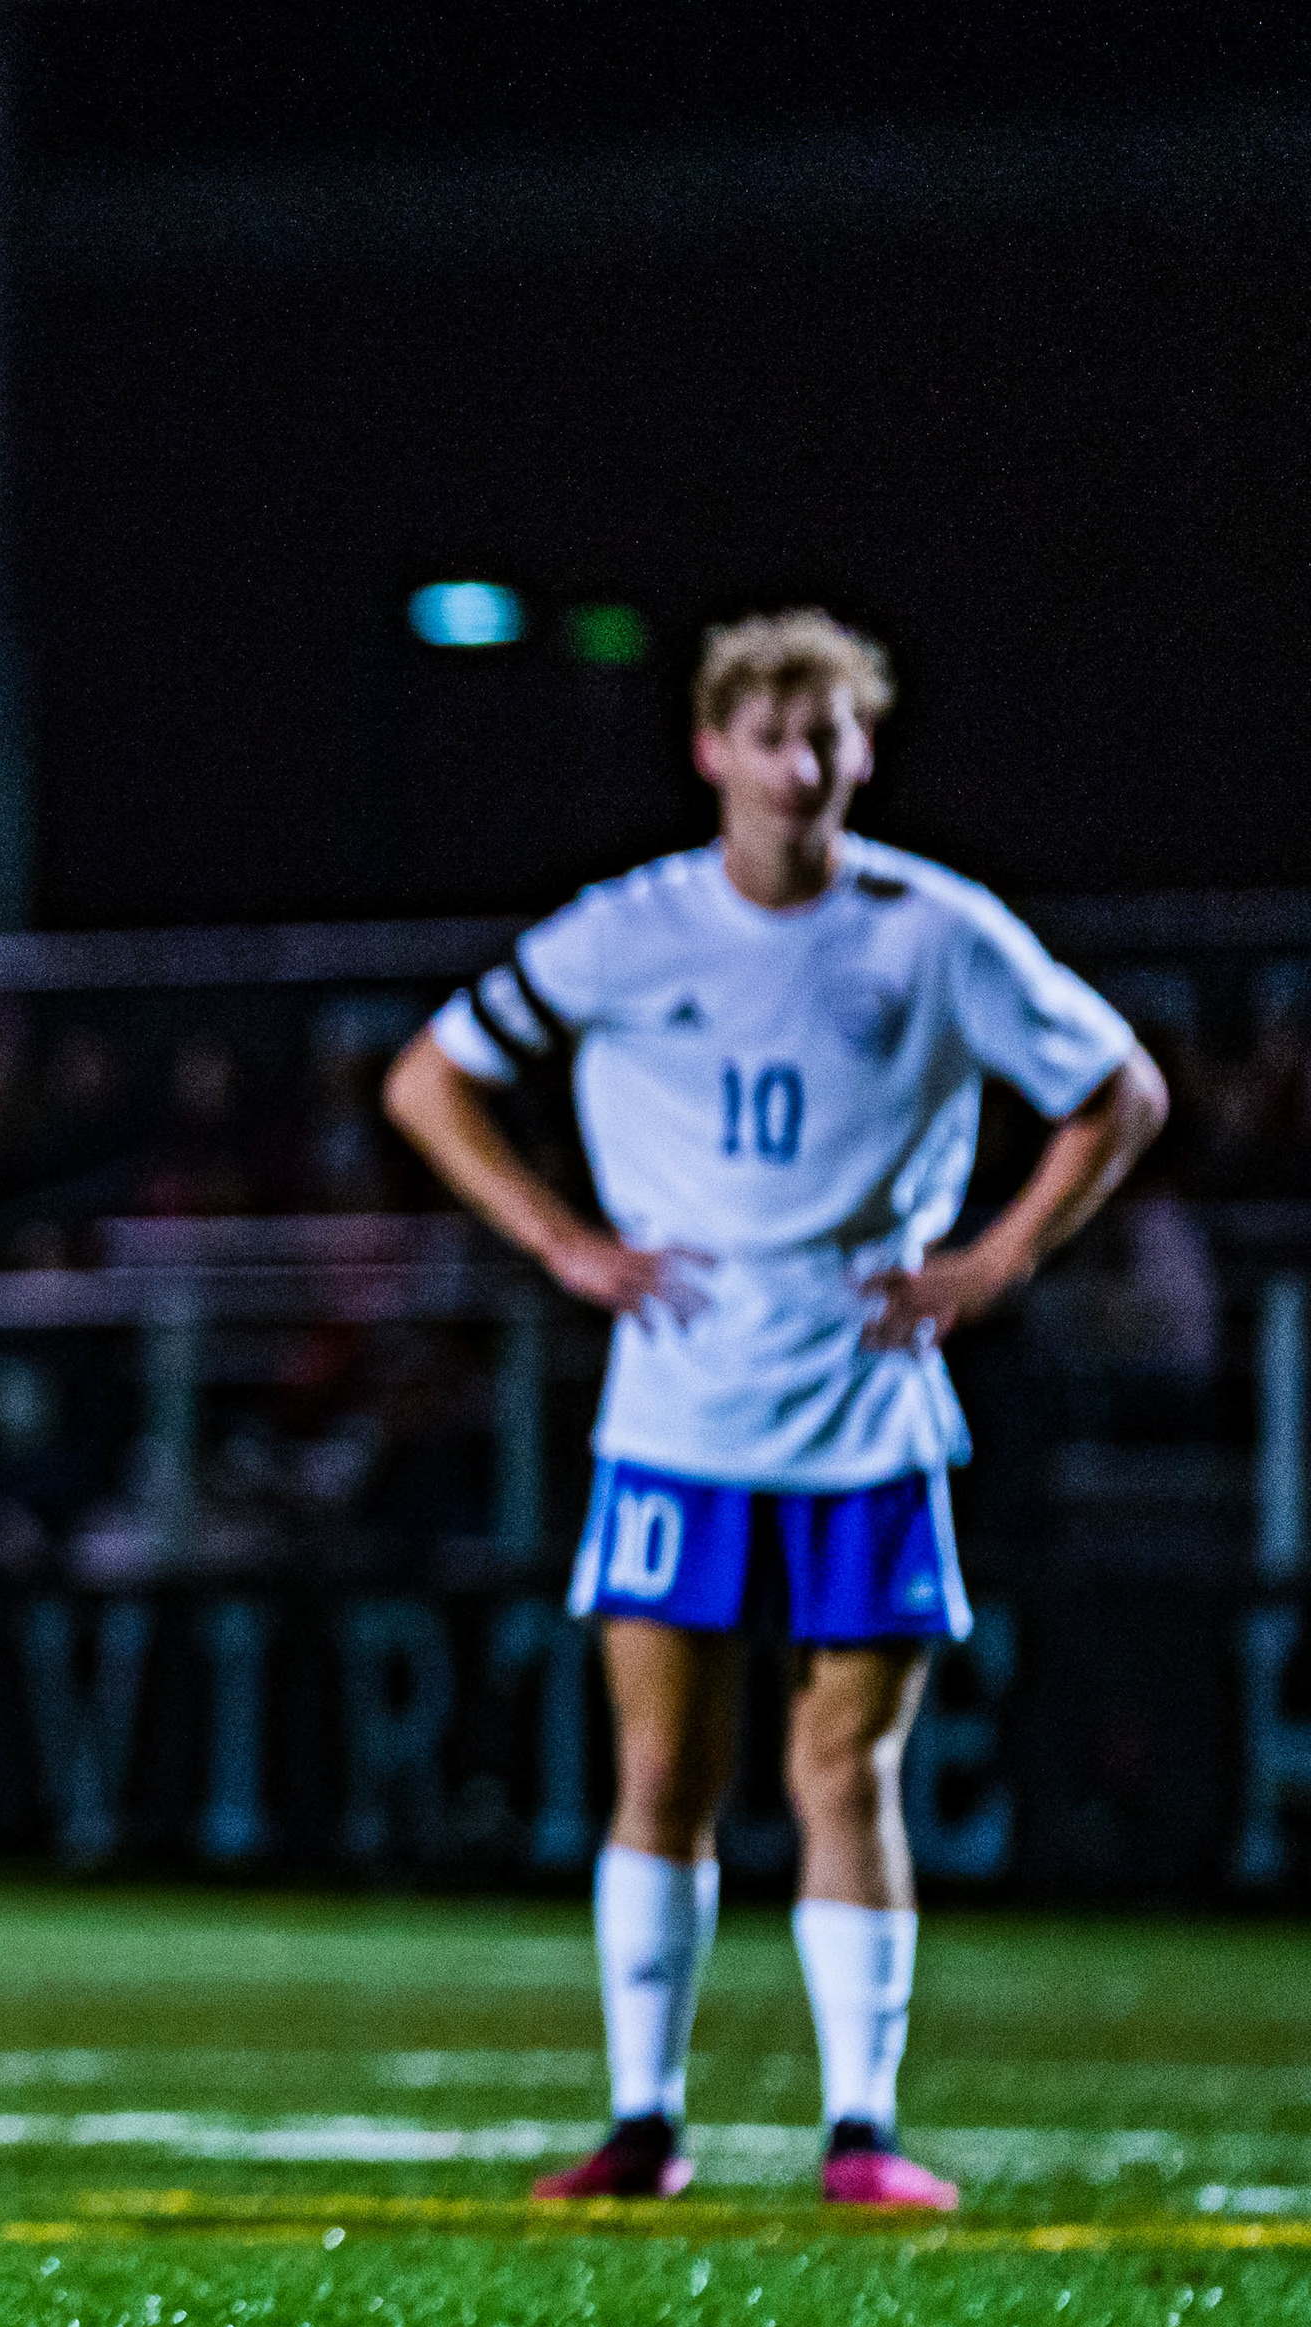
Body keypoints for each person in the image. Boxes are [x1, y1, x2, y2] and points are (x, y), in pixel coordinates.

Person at [384, 609, 1164, 2211]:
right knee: (662, 1767)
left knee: (844, 1769)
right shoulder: (632, 926)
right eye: (774, 737)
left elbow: (1121, 1091)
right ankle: (643, 2122)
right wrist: (561, 1244)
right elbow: (428, 1078)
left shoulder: (933, 932)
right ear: (712, 751)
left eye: (831, 737)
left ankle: (862, 2130)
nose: (803, 769)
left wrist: (1001, 1257)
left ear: (866, 753)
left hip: (868, 1406)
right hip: (679, 1408)